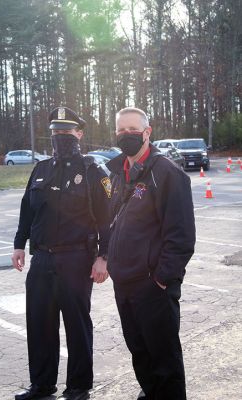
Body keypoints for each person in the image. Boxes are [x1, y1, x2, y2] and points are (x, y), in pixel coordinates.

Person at [12, 106, 111, 400]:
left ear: (79, 134)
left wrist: (103, 256)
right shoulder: (41, 169)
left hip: (77, 260)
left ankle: (78, 387)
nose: (60, 137)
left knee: (77, 325)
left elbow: (108, 218)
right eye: (56, 132)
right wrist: (19, 243)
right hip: (41, 259)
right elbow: (27, 210)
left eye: (66, 132)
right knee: (39, 324)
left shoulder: (93, 170)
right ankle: (42, 385)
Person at [106, 107, 196, 400]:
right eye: (121, 130)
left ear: (147, 132)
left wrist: (162, 278)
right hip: (125, 283)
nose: (126, 135)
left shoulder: (167, 173)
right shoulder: (119, 171)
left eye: (132, 129)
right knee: (140, 352)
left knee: (164, 358)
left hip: (153, 286)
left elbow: (181, 236)